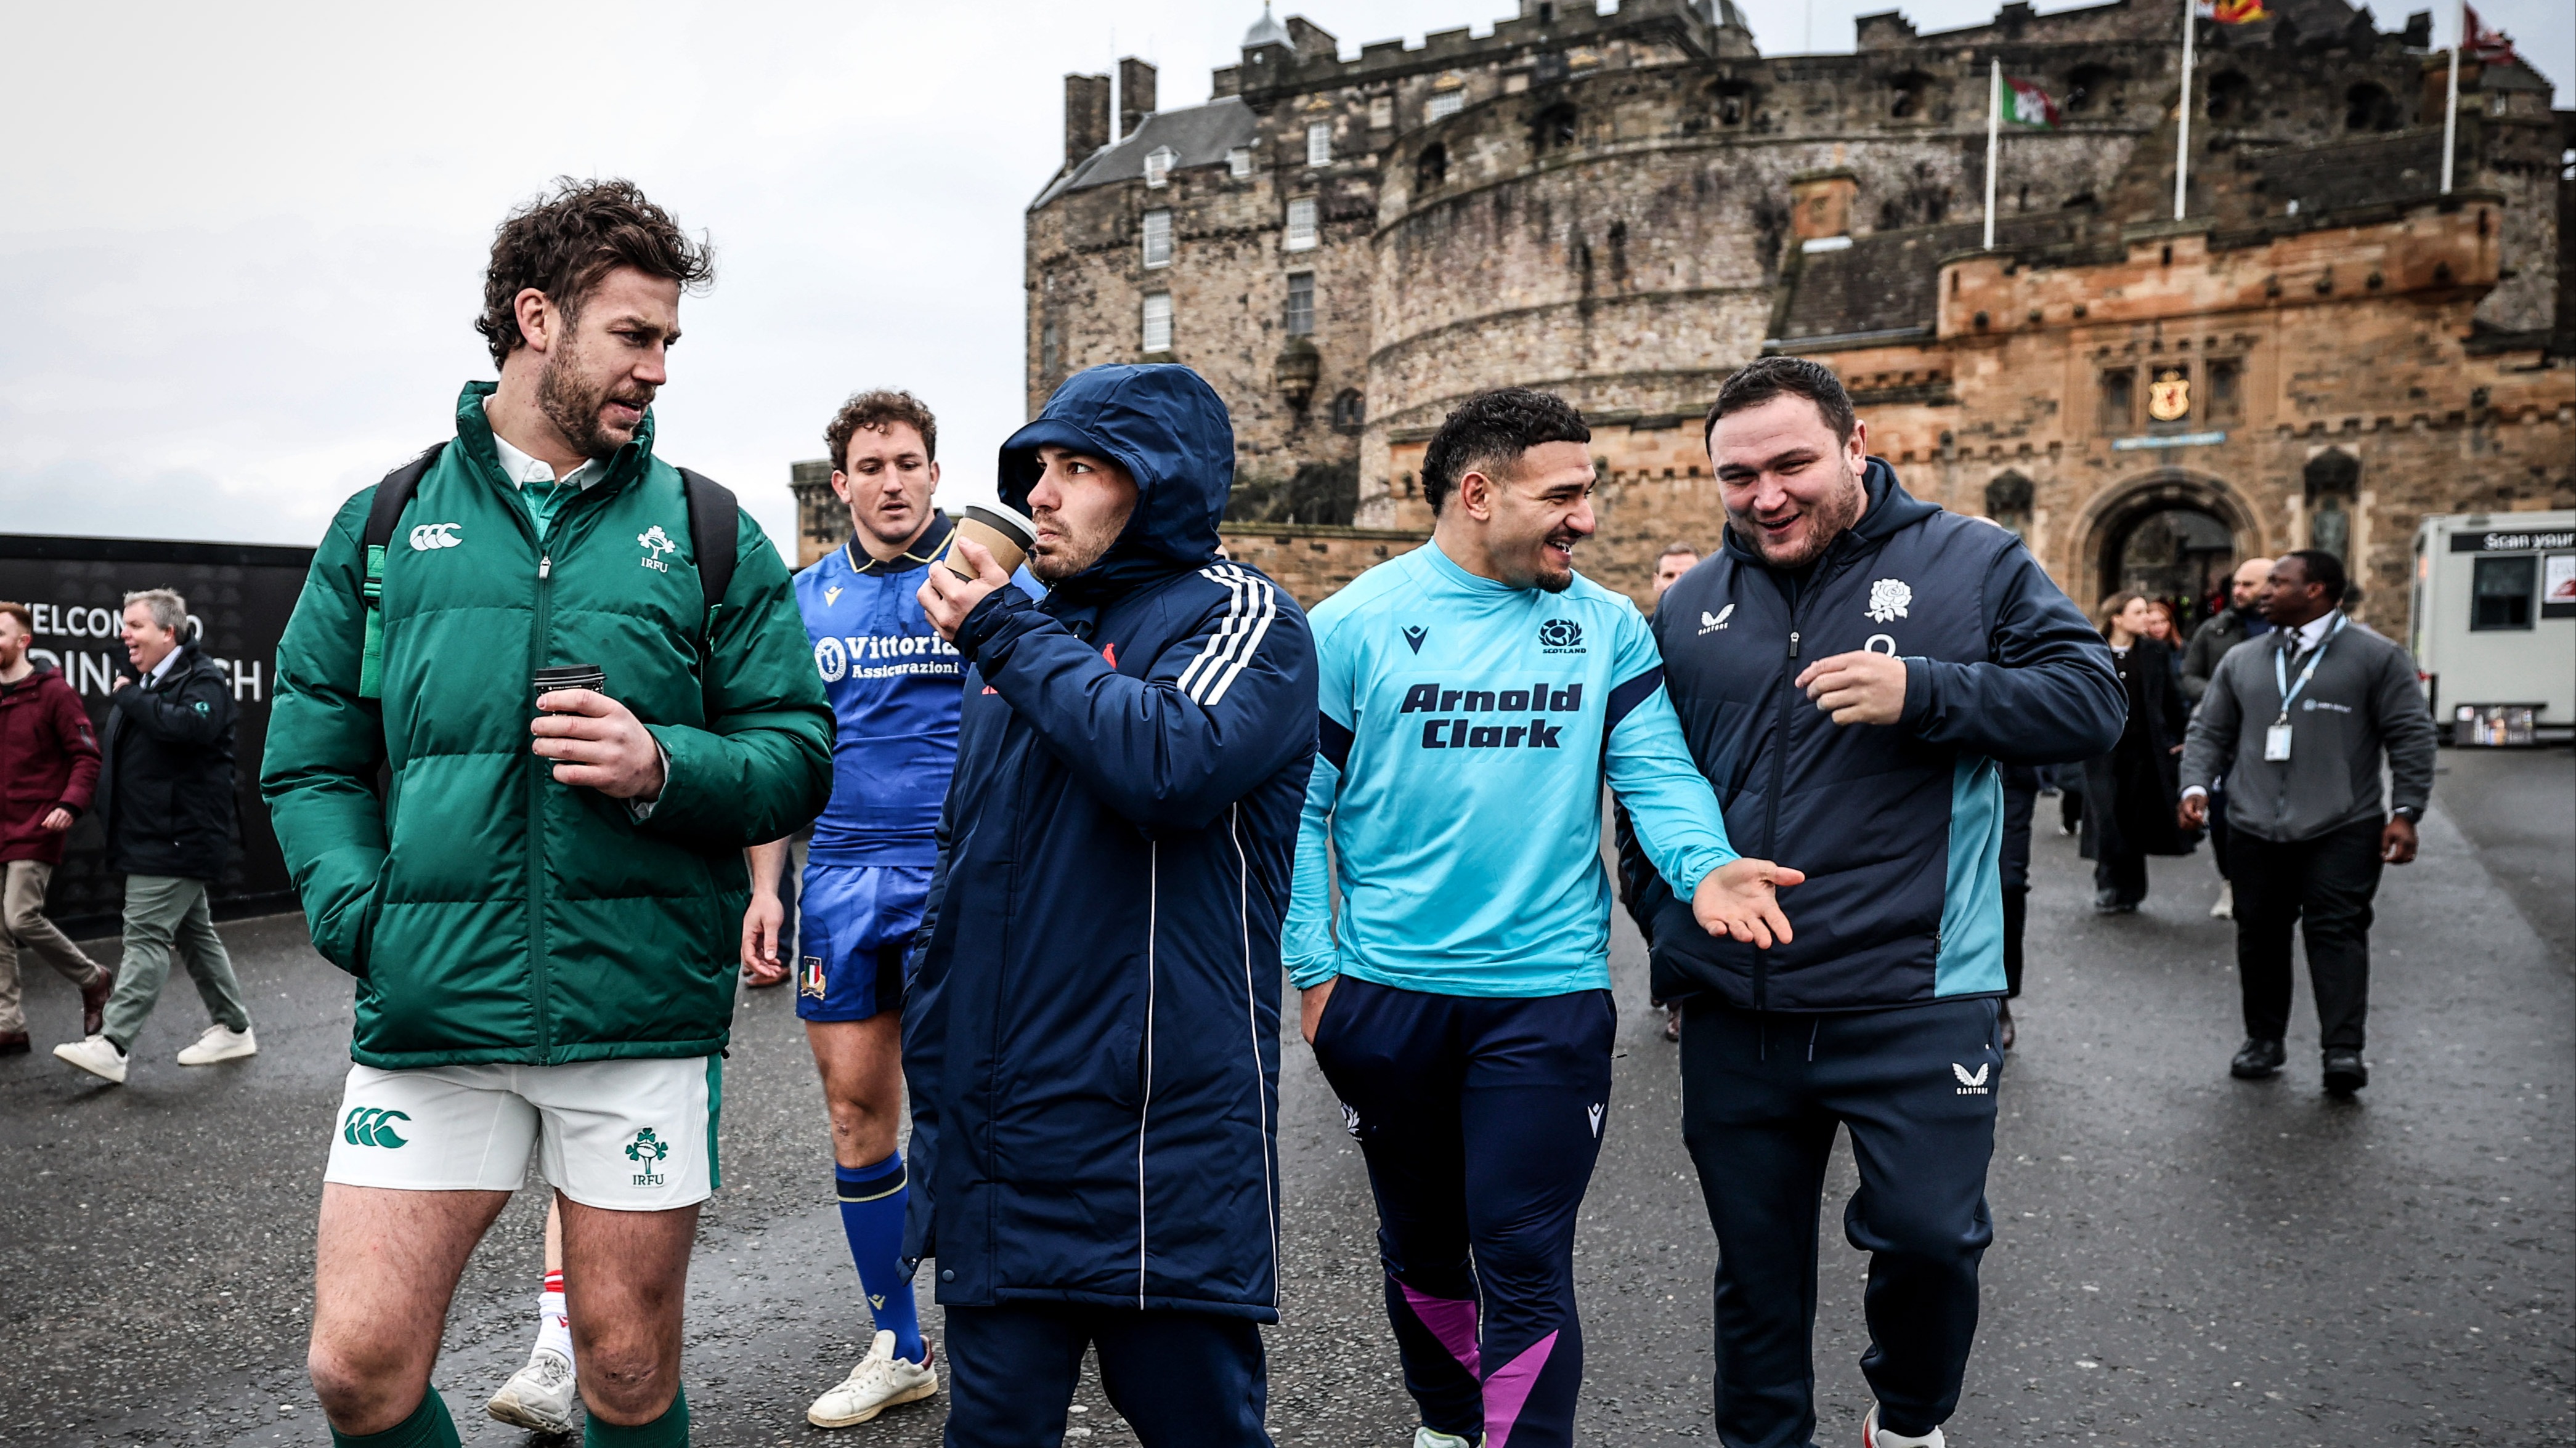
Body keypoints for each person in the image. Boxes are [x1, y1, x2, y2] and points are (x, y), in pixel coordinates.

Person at [261, 177, 833, 1448]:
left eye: (670, 341)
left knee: (625, 1368)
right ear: (538, 319)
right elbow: (309, 755)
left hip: (634, 1008)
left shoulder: (709, 527)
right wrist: (367, 912)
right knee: (358, 1367)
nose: (659, 369)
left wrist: (662, 766)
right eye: (635, 335)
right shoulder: (387, 519)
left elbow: (797, 752)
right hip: (433, 1007)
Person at [1635, 357, 2123, 1448]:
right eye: (1737, 474)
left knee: (1931, 1241)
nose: (1766, 495)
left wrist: (1931, 691)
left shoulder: (1973, 561)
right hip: (1737, 1006)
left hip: (1914, 989)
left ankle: (1905, 1420)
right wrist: (1670, 926)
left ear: (1858, 443)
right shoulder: (1694, 602)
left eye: (1793, 463)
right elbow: (1647, 781)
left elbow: (2095, 704)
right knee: (1755, 1275)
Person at [1293, 390, 1795, 1448]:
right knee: (1422, 1248)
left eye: (1590, 493)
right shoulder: (1349, 627)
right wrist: (1316, 975)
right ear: (1478, 494)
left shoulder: (1606, 626)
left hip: (1544, 1003)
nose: (1589, 518)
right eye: (1564, 495)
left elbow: (1656, 775)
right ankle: (1444, 1424)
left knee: (1522, 1258)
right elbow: (1299, 814)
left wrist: (1703, 868)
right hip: (1385, 1001)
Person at [905, 362, 1315, 1448]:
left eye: (1079, 468)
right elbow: (971, 869)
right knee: (990, 1433)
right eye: (1037, 467)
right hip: (1006, 1141)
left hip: (1156, 1144)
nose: (1040, 493)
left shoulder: (1246, 618)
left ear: (1162, 483)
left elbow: (1170, 762)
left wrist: (1002, 630)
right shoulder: (1021, 642)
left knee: (1201, 1431)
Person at [746, 389, 967, 1429]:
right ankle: (899, 1343)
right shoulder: (800, 601)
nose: (891, 481)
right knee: (855, 1112)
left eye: (908, 462)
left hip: (959, 874)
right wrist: (764, 890)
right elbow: (778, 759)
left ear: (934, 473)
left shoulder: (979, 584)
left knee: (978, 1115)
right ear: (840, 485)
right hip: (836, 881)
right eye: (870, 465)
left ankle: (1012, 1341)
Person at [2179, 549, 2436, 1095]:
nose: (2263, 590)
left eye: (2278, 581)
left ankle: (2342, 1050)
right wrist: (2196, 784)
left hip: (2342, 824)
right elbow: (2208, 730)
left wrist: (2406, 810)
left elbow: (2410, 735)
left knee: (2336, 932)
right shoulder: (2243, 659)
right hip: (2252, 824)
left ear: (2316, 590)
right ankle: (2263, 1041)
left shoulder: (2376, 656)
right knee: (2260, 935)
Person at [51, 589, 257, 1083]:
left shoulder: (201, 679)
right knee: (195, 935)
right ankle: (233, 1027)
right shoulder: (143, 683)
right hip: (151, 835)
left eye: (135, 625)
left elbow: (191, 728)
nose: (124, 634)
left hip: (176, 838)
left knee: (144, 936)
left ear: (169, 632)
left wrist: (130, 695)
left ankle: (113, 1044)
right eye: (124, 624)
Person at [0, 601, 112, 1054]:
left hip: (37, 822)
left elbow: (86, 756)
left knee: (19, 915)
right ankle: (8, 1023)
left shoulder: (53, 693)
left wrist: (70, 804)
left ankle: (93, 977)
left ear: (23, 640)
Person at [2078, 593, 2194, 915]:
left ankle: (2131, 889)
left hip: (2144, 750)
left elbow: (2171, 696)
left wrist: (2184, 735)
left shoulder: (2155, 652)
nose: (2147, 617)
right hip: (2103, 752)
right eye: (2139, 611)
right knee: (2107, 816)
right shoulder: (2093, 652)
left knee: (2136, 817)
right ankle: (2108, 883)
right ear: (2117, 617)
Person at [1638, 538, 1705, 1044]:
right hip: (1635, 792)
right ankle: (1666, 964)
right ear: (1654, 583)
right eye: (1667, 575)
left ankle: (1684, 996)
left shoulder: (1722, 632)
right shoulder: (1632, 637)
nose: (1675, 585)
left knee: (1685, 896)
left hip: (1696, 788)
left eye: (1687, 575)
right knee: (1637, 892)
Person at [2182, 557, 2273, 920]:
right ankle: (2230, 881)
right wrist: (2223, 695)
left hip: (2272, 740)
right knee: (2221, 818)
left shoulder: (2285, 632)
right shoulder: (2215, 630)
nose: (2238, 591)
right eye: (2237, 584)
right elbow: (2188, 675)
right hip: (2226, 738)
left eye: (2249, 585)